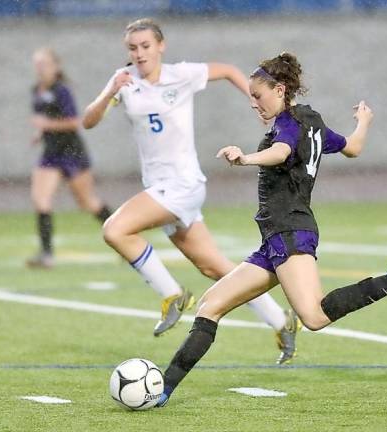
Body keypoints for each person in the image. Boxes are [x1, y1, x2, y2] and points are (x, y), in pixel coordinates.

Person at [156, 52, 387, 407]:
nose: (253, 103)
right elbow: (353, 148)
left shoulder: (289, 124)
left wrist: (246, 157)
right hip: (276, 238)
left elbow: (280, 152)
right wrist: (364, 121)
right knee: (210, 305)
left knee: (313, 315)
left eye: (257, 95)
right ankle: (163, 389)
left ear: (280, 89)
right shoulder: (313, 122)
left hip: (290, 232)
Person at [82, 19, 299, 363]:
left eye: (145, 46)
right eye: (133, 48)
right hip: (160, 189)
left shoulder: (180, 75)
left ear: (161, 46)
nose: (139, 54)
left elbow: (228, 70)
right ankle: (281, 320)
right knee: (216, 268)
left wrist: (258, 103)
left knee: (115, 229)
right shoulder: (123, 81)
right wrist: (111, 91)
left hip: (182, 185)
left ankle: (172, 295)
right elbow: (88, 121)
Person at [28, 47, 112, 268]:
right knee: (40, 199)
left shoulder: (62, 91)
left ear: (56, 67)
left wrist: (46, 125)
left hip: (71, 152)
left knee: (87, 202)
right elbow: (45, 119)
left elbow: (74, 122)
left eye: (44, 64)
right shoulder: (36, 90)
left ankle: (122, 233)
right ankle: (46, 254)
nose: (40, 69)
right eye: (37, 64)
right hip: (51, 153)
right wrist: (39, 134)